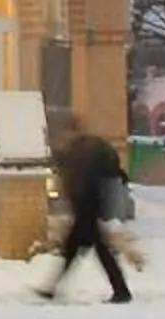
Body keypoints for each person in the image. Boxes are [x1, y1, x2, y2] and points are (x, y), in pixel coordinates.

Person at [40, 116, 134, 304]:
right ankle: (120, 290)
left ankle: (121, 290)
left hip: (88, 206)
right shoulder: (79, 150)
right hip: (86, 206)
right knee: (83, 249)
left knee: (84, 248)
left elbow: (85, 178)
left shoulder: (85, 150)